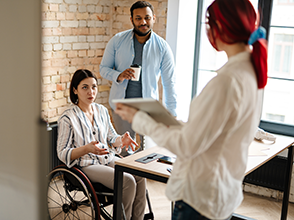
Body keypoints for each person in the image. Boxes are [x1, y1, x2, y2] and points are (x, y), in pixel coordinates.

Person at [115, 0, 268, 219]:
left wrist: (141, 119)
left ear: (221, 27)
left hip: (200, 198)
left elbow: (187, 145)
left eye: (208, 23)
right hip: (222, 193)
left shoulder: (226, 82)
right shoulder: (252, 72)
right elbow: (215, 130)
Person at [57, 69, 146, 220]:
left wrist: (121, 140)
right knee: (127, 181)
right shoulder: (68, 118)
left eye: (94, 87)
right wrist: (87, 149)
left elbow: (112, 138)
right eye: (84, 87)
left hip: (106, 158)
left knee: (139, 174)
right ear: (75, 90)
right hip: (86, 164)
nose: (90, 92)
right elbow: (62, 152)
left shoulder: (102, 110)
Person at [99, 1, 177, 153]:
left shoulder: (163, 48)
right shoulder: (117, 41)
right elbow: (103, 69)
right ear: (132, 19)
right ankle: (127, 178)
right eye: (138, 18)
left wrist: (172, 116)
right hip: (121, 107)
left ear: (154, 18)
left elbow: (169, 83)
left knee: (146, 153)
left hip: (148, 110)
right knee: (124, 152)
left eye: (147, 18)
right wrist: (118, 75)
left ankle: (140, 178)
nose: (143, 22)